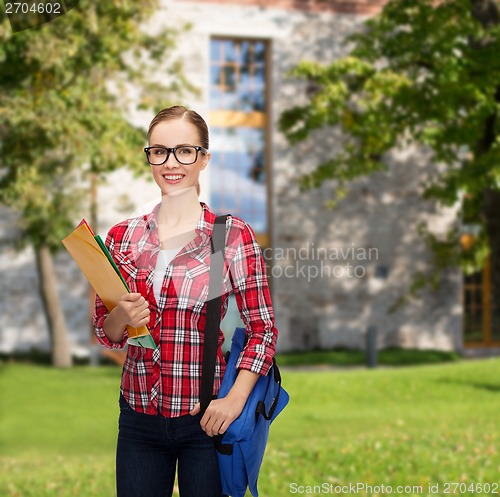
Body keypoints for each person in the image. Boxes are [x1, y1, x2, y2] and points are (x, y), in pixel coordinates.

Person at [93, 105, 278, 497]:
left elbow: (262, 330)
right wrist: (120, 317)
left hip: (207, 420)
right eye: (158, 151)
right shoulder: (123, 237)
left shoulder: (230, 236)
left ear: (203, 159)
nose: (170, 162)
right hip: (138, 416)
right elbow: (106, 333)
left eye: (184, 150)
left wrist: (233, 400)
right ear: (149, 157)